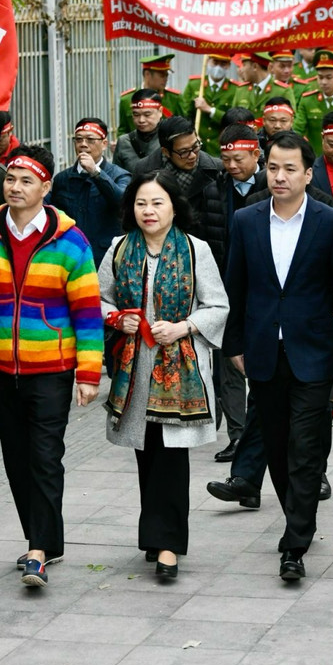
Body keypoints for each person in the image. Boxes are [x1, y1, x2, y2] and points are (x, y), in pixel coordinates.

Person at [0, 146, 102, 587]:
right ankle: (44, 541)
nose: (15, 187)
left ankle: (37, 549)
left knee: (44, 457)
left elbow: (88, 312)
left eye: (26, 181)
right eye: (11, 178)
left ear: (46, 188)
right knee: (17, 459)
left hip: (51, 369)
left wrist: (89, 373)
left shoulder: (70, 241)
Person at [224, 131, 333, 581]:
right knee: (276, 444)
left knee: (305, 445)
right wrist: (234, 343)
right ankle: (297, 514)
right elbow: (235, 287)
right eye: (272, 167)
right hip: (262, 349)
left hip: (314, 352)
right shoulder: (247, 220)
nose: (278, 176)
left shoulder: (332, 223)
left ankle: (295, 541)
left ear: (307, 174)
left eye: (289, 169)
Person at [99, 173, 228, 580]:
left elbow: (217, 306)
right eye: (141, 203)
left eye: (157, 203)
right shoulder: (119, 250)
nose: (148, 211)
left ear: (174, 206)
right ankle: (155, 536)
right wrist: (118, 319)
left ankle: (169, 545)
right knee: (147, 453)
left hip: (180, 371)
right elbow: (97, 300)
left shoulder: (195, 250)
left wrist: (183, 326)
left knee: (172, 457)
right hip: (134, 370)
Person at [215, 125, 266, 460]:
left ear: (255, 155)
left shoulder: (274, 186)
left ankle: (258, 432)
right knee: (228, 361)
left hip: (263, 289)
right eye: (226, 159)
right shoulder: (214, 188)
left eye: (238, 159)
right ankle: (237, 434)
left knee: (259, 367)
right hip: (223, 285)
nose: (232, 165)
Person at [133, 116, 230, 270]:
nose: (192, 155)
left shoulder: (216, 169)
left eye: (195, 146)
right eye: (184, 152)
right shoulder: (144, 170)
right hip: (157, 256)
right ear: (166, 151)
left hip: (203, 258)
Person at [51, 117, 131, 266]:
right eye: (78, 139)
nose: (83, 144)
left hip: (106, 257)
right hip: (69, 256)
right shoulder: (62, 178)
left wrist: (96, 173)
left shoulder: (119, 175)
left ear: (104, 143)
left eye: (90, 140)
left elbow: (123, 203)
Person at [184, 55, 243, 155]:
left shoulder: (235, 89)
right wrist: (191, 134)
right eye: (215, 62)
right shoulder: (194, 84)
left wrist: (210, 110)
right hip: (196, 147)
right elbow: (184, 115)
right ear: (208, 62)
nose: (218, 67)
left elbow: (234, 120)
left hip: (220, 148)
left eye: (223, 64)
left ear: (228, 65)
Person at [295, 50, 333, 153]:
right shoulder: (308, 101)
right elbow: (297, 131)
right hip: (317, 159)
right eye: (320, 77)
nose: (324, 82)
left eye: (329, 77)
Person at [118, 53, 182, 134]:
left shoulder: (174, 98)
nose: (166, 79)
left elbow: (182, 127)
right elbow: (123, 130)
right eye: (162, 75)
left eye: (167, 75)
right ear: (147, 74)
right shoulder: (127, 99)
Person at [114, 90, 170, 171]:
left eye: (147, 114)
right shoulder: (124, 142)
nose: (141, 120)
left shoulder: (171, 139)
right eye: (136, 114)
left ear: (160, 111)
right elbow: (117, 178)